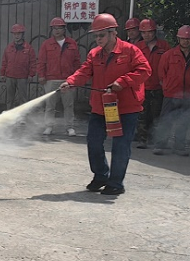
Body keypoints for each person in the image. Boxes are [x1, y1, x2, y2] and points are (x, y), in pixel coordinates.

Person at [59, 12, 151, 196]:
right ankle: (101, 175)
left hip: (126, 108)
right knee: (93, 142)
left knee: (120, 146)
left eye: (101, 35)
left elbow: (144, 70)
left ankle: (116, 183)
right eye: (96, 36)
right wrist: (70, 82)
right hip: (102, 107)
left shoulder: (130, 51)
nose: (98, 39)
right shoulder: (95, 54)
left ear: (113, 32)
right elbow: (84, 72)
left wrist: (122, 82)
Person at [154, 25, 190, 156]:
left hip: (188, 94)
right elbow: (161, 73)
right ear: (178, 39)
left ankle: (179, 146)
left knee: (184, 121)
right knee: (166, 120)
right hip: (171, 93)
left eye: (188, 39)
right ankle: (160, 145)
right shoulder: (168, 55)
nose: (186, 41)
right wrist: (166, 86)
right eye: (183, 38)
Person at [37, 17, 81, 136]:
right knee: (50, 105)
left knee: (68, 105)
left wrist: (76, 77)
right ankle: (49, 126)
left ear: (64, 29)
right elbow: (41, 61)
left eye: (59, 28)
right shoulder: (46, 44)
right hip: (51, 79)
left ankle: (69, 127)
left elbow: (77, 61)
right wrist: (41, 75)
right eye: (54, 28)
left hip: (68, 79)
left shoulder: (71, 43)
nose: (57, 30)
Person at [135, 18, 168, 149]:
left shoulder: (164, 46)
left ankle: (156, 140)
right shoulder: (137, 47)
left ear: (154, 32)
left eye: (149, 32)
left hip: (158, 86)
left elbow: (169, 66)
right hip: (142, 86)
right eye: (144, 32)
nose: (146, 35)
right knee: (142, 115)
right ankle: (142, 139)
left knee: (157, 115)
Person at [0, 23, 37, 110]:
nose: (16, 36)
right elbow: (4, 61)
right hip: (10, 76)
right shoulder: (9, 48)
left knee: (23, 98)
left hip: (22, 77)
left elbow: (33, 62)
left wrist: (31, 74)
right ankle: (9, 114)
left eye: (18, 34)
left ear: (22, 35)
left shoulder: (28, 48)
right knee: (9, 99)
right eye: (14, 34)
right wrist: (2, 74)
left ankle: (22, 115)